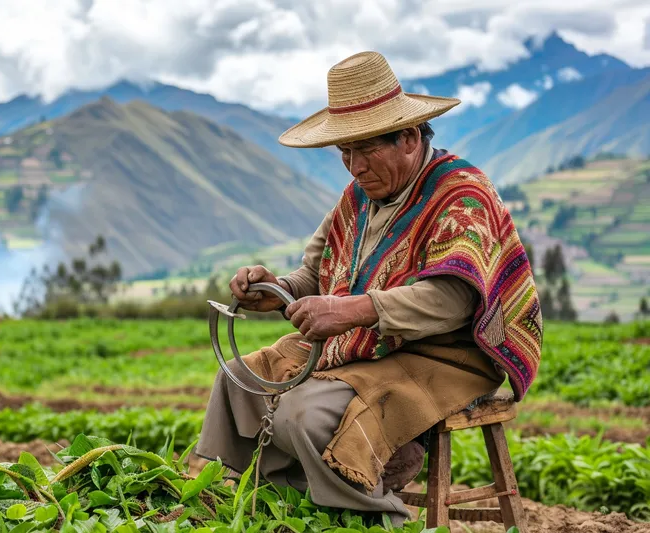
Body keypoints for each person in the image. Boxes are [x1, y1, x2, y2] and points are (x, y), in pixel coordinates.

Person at [194, 51, 543, 525]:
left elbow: (453, 301)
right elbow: (315, 278)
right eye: (345, 153)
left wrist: (353, 311)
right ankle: (262, 500)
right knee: (239, 380)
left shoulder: (462, 196)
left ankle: (374, 516)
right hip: (370, 344)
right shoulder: (359, 197)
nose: (354, 166)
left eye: (366, 149)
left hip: (446, 355)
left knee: (307, 414)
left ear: (409, 137)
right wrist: (273, 290)